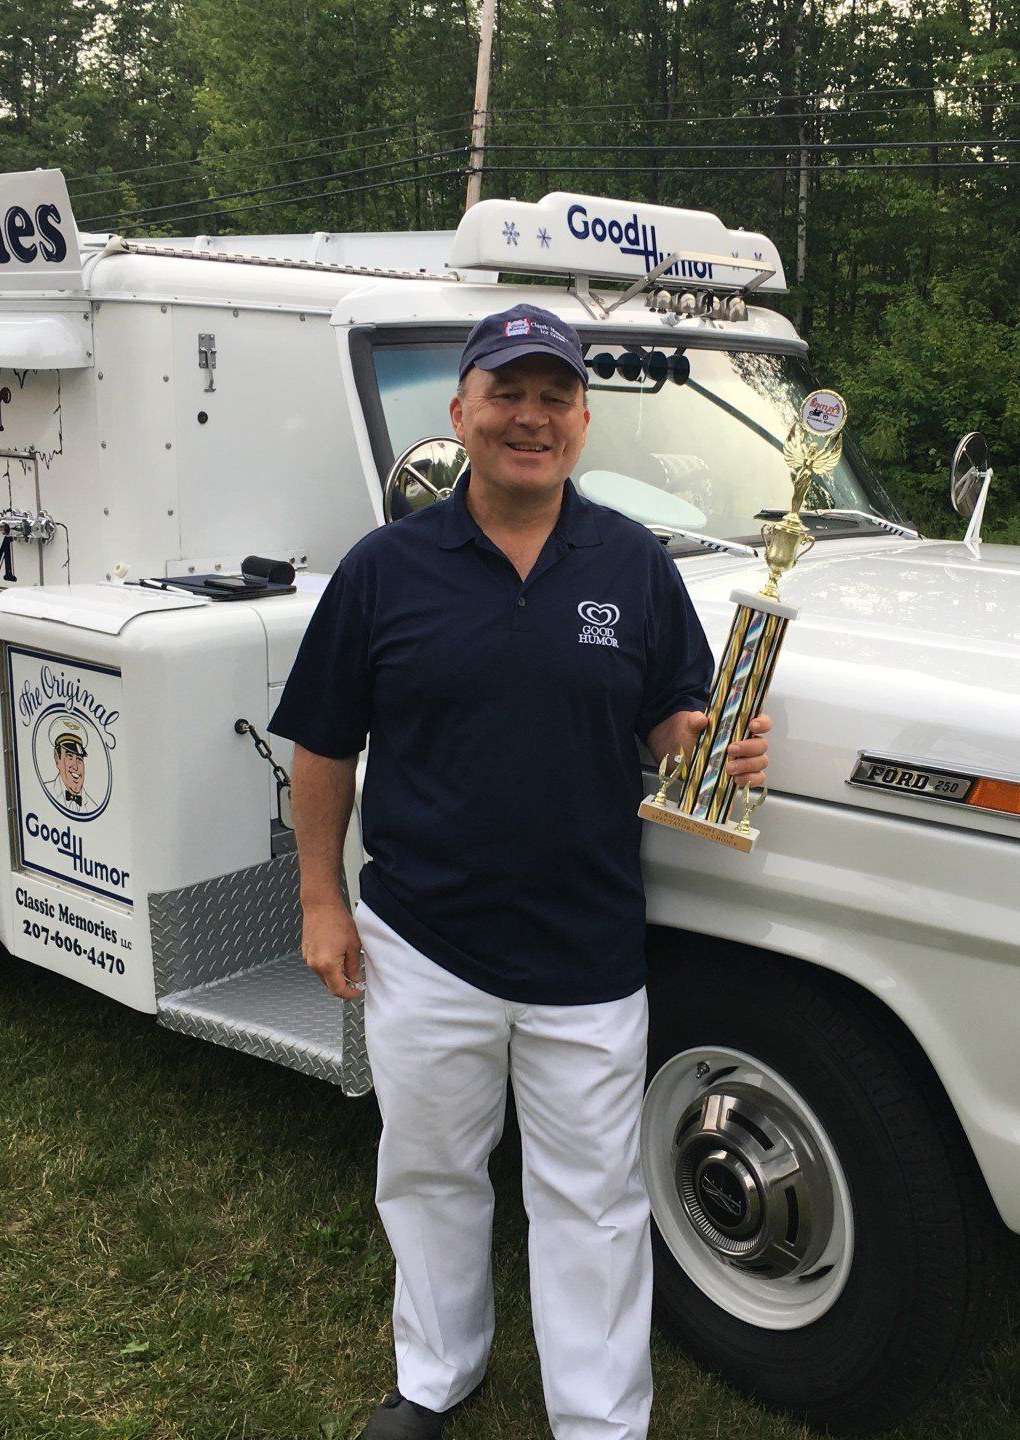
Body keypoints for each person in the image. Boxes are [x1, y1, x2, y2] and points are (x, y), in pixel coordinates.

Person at [268, 303, 770, 1440]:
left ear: (585, 421)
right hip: (423, 937)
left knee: (592, 1202)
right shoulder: (385, 569)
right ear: (463, 413)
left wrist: (715, 743)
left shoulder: (634, 566)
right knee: (433, 1172)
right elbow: (322, 745)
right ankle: (434, 1379)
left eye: (554, 397)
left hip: (586, 950)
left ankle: (598, 1422)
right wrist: (319, 901)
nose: (530, 418)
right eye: (508, 393)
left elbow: (667, 724)